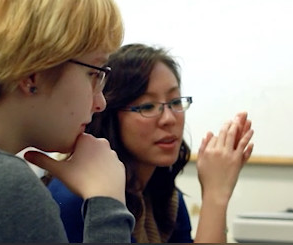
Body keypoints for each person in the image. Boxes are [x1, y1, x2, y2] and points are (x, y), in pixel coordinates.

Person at [48, 43, 254, 243]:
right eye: (147, 106)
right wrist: (215, 195)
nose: (169, 119)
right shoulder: (80, 196)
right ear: (109, 114)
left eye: (175, 102)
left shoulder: (162, 191)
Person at [0, 0, 135, 243]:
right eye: (95, 74)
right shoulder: (7, 186)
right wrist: (108, 202)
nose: (100, 103)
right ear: (33, 73)